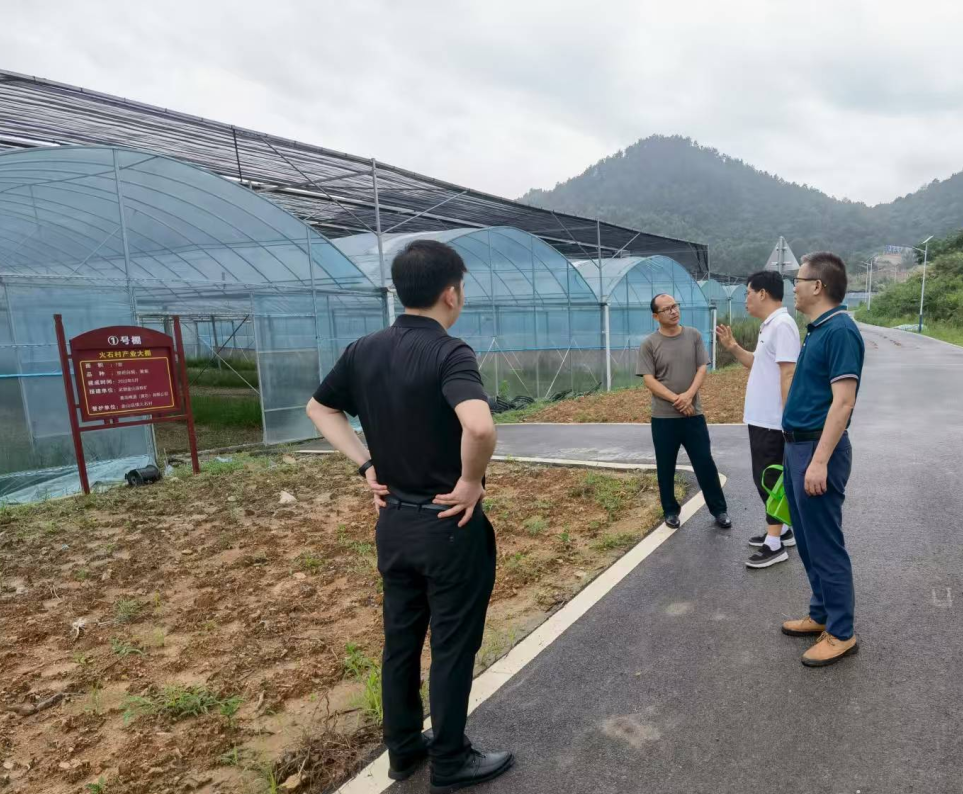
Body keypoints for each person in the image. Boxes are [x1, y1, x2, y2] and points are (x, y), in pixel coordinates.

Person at [306, 240, 514, 792]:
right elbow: (479, 426)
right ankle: (450, 760)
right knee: (451, 645)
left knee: (400, 641)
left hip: (394, 523)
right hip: (449, 526)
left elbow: (319, 407)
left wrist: (366, 464)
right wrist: (470, 482)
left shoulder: (363, 350)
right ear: (452, 293)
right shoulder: (450, 352)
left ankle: (403, 750)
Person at [779, 252, 864, 667]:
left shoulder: (841, 331)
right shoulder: (818, 329)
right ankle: (821, 613)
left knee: (825, 543)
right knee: (808, 540)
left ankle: (842, 632)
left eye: (797, 280)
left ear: (817, 286)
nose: (792, 288)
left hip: (817, 450)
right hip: (797, 447)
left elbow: (843, 402)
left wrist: (819, 461)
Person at [716, 271, 800, 569]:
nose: (746, 299)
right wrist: (733, 347)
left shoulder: (783, 325)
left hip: (773, 421)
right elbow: (757, 363)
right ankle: (782, 530)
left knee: (770, 479)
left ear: (762, 293)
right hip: (762, 419)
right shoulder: (770, 326)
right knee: (766, 477)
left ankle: (774, 544)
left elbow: (789, 373)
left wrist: (787, 419)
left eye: (748, 293)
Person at [637, 293, 731, 530]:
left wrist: (689, 396)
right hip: (663, 417)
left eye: (675, 306)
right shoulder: (649, 344)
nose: (673, 311)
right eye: (667, 309)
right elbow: (649, 380)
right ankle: (670, 511)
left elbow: (701, 368)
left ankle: (719, 510)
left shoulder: (693, 336)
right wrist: (677, 399)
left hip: (693, 415)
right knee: (665, 466)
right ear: (655, 316)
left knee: (704, 462)